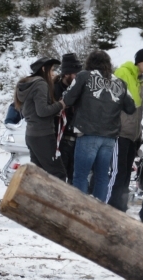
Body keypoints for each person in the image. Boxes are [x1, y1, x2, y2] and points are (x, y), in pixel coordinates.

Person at [63, 50, 136, 201]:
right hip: (109, 137)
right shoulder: (120, 82)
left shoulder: (84, 76)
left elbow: (68, 99)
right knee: (102, 177)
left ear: (89, 62)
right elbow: (131, 107)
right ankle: (99, 213)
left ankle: (79, 210)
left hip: (87, 133)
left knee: (81, 176)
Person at [107, 48, 143, 211]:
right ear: (140, 61)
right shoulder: (123, 73)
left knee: (127, 172)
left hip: (132, 135)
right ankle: (111, 205)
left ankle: (120, 205)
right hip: (120, 133)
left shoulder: (139, 80)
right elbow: (111, 102)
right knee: (118, 172)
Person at [14, 57, 67, 180]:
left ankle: (34, 198)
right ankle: (54, 200)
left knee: (38, 175)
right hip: (43, 135)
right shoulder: (41, 84)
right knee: (58, 174)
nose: (53, 73)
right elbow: (42, 111)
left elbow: (31, 111)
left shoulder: (27, 85)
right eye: (51, 70)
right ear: (44, 69)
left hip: (31, 135)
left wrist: (53, 111)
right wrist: (61, 105)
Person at [53, 52, 83, 184]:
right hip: (61, 140)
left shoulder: (80, 88)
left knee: (74, 177)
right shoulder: (54, 89)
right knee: (59, 176)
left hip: (77, 139)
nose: (77, 77)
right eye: (75, 74)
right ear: (66, 74)